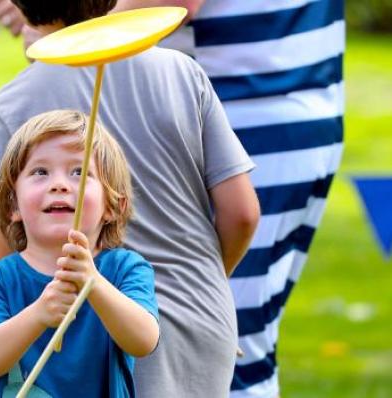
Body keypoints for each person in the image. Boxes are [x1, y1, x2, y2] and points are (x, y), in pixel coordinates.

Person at [0, 1, 260, 397]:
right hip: (201, 317)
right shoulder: (182, 71)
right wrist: (204, 280)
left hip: (86, 338)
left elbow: (12, 254)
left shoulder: (8, 106)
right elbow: (242, 214)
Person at [109, 1, 345, 397]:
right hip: (285, 107)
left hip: (247, 116)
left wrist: (63, 30)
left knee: (220, 350)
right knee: (238, 344)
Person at [0, 109, 160, 397]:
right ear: (13, 206)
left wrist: (93, 284)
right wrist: (39, 313)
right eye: (40, 172)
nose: (59, 184)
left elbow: (143, 340)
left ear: (113, 206)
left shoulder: (126, 269)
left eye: (79, 172)